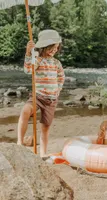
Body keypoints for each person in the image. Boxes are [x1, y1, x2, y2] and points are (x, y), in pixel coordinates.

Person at [17, 29, 65, 157]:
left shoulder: (56, 63)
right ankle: (20, 142)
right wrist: (28, 53)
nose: (54, 50)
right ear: (44, 47)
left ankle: (43, 153)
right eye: (52, 47)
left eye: (56, 47)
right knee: (25, 111)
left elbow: (61, 77)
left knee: (45, 127)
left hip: (51, 99)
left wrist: (57, 90)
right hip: (37, 96)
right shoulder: (37, 59)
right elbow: (28, 70)